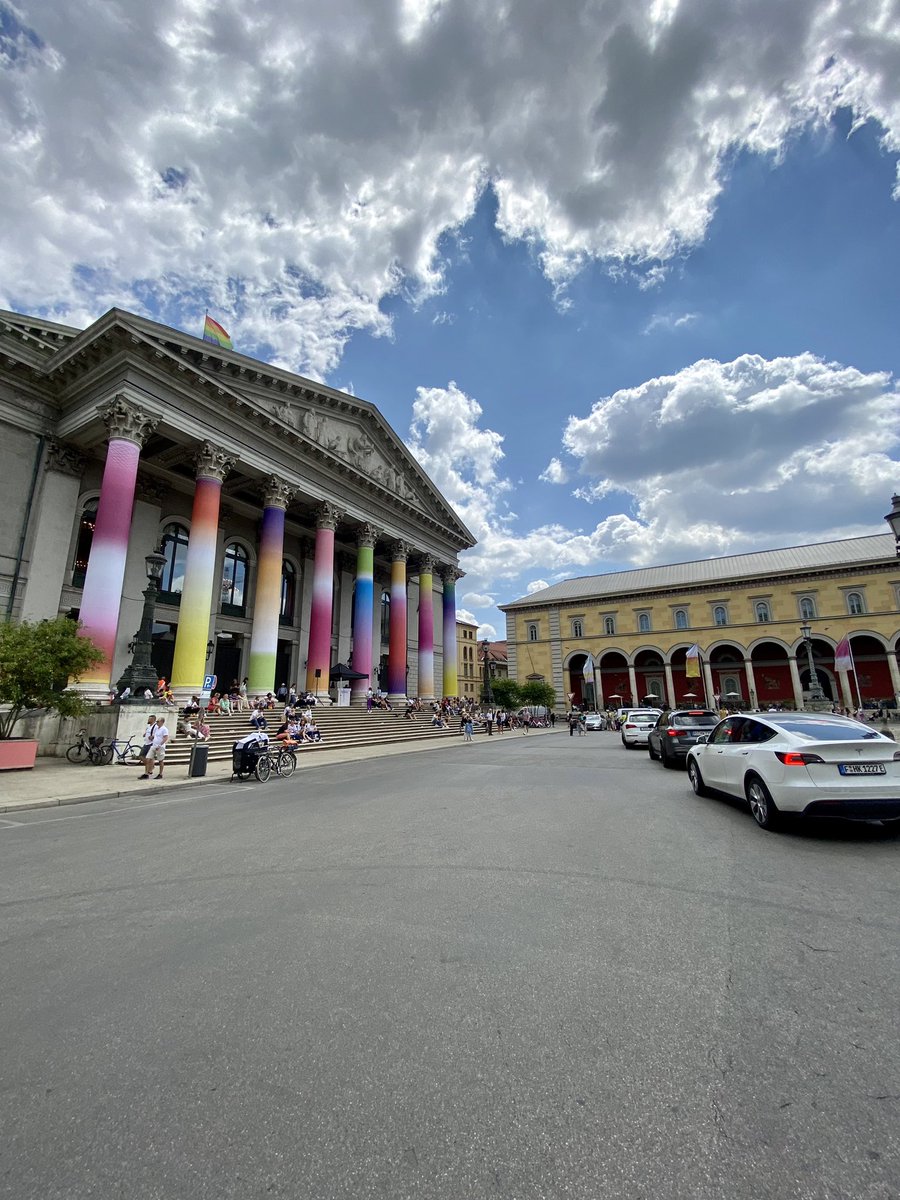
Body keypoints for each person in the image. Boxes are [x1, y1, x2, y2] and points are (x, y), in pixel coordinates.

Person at [139, 715, 169, 780]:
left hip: (160, 747)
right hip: (153, 746)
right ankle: (146, 774)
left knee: (160, 761)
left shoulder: (164, 729)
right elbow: (155, 736)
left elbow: (166, 738)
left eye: (158, 721)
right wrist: (151, 737)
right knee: (147, 758)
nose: (157, 722)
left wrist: (160, 745)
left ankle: (160, 774)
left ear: (162, 722)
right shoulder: (157, 729)